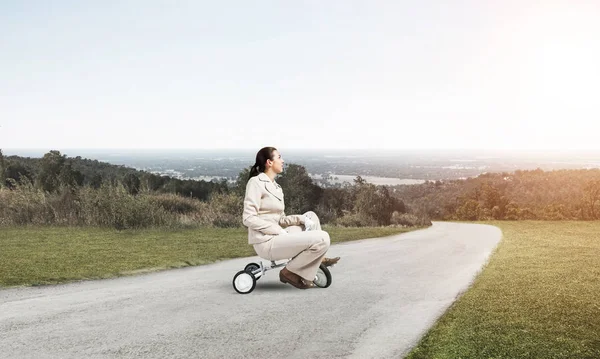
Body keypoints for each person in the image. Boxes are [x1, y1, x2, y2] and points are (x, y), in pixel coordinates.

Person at [242, 147, 340, 289]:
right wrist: (277, 230)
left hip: (278, 236)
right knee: (323, 238)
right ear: (269, 162)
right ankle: (288, 272)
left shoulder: (277, 187)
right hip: (267, 242)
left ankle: (318, 260)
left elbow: (281, 219)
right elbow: (248, 218)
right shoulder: (256, 183)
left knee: (311, 215)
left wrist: (302, 219)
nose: (283, 161)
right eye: (279, 157)